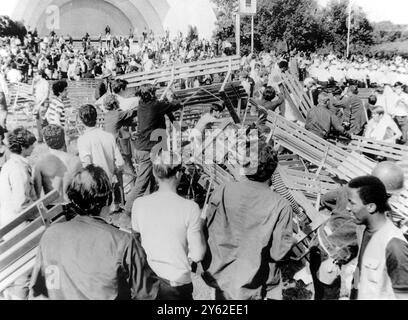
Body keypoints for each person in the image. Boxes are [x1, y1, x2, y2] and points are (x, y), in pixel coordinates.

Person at [29, 165, 160, 300]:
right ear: (109, 199)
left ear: (73, 200)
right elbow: (147, 293)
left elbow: (37, 292)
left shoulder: (50, 235)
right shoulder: (123, 242)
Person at [202, 141, 294, 300]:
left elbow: (208, 228)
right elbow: (279, 254)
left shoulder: (223, 189)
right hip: (252, 283)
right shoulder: (281, 206)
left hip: (219, 276)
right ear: (273, 170)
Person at [312, 161, 406, 300]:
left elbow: (326, 199)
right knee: (328, 293)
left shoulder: (349, 190)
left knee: (319, 287)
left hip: (318, 240)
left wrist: (339, 214)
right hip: (331, 256)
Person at [132, 151, 206, 300]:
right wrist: (201, 225)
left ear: (154, 173)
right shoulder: (190, 208)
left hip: (147, 280)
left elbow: (136, 238)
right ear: (178, 174)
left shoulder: (139, 204)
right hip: (175, 282)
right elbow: (197, 255)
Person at [347, 176, 408, 300]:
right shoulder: (363, 229)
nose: (348, 208)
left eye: (352, 203)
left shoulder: (394, 245)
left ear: (371, 207)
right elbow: (360, 269)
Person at [124, 84, 182, 214]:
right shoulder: (156, 105)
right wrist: (174, 98)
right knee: (142, 182)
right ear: (152, 94)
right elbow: (176, 105)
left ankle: (149, 205)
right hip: (148, 149)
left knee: (150, 178)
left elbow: (166, 111)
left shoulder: (141, 104)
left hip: (142, 148)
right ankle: (128, 209)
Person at [77, 104, 125, 211]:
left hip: (96, 188)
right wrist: (112, 171)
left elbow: (87, 165)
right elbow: (120, 163)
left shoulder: (82, 140)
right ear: (97, 117)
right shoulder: (109, 136)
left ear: (81, 120)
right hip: (110, 183)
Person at [33, 125, 82, 204]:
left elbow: (36, 196)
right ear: (63, 139)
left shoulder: (40, 163)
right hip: (73, 208)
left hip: (53, 210)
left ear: (45, 141)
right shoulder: (76, 161)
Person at [0, 127, 37, 227]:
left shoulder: (8, 165)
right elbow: (21, 204)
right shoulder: (19, 169)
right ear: (22, 147)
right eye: (31, 145)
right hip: (19, 224)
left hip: (7, 221)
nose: (33, 147)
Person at [33, 69, 50, 143]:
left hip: (43, 103)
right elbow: (32, 92)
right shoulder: (37, 83)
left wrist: (39, 104)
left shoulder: (45, 83)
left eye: (36, 74)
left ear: (40, 75)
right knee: (37, 121)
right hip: (37, 103)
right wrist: (32, 83)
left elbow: (46, 95)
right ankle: (40, 138)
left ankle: (47, 138)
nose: (34, 76)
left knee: (43, 122)